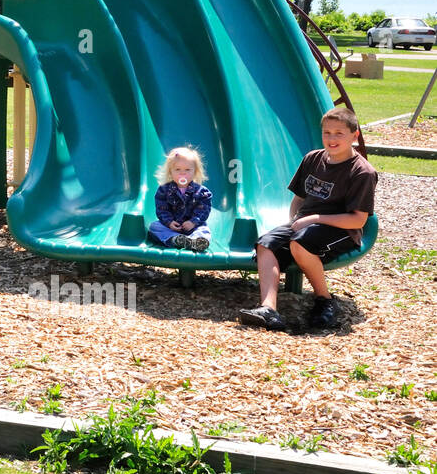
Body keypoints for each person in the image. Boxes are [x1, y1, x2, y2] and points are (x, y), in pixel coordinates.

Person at [239, 106, 377, 332]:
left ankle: (324, 300)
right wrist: (294, 219)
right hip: (305, 225)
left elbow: (358, 221)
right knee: (266, 243)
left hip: (341, 230)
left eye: (339, 133)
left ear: (355, 135)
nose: (332, 139)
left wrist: (314, 218)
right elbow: (299, 199)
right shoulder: (313, 159)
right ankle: (268, 308)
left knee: (301, 243)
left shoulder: (362, 172)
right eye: (327, 133)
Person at [148, 146, 212, 252]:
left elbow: (203, 209)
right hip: (172, 227)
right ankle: (175, 239)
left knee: (204, 229)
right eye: (178, 169)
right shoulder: (163, 190)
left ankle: (195, 241)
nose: (183, 173)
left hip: (193, 227)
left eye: (187, 170)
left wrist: (193, 222)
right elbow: (162, 209)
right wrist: (169, 222)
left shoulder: (202, 192)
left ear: (195, 172)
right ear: (170, 172)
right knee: (154, 226)